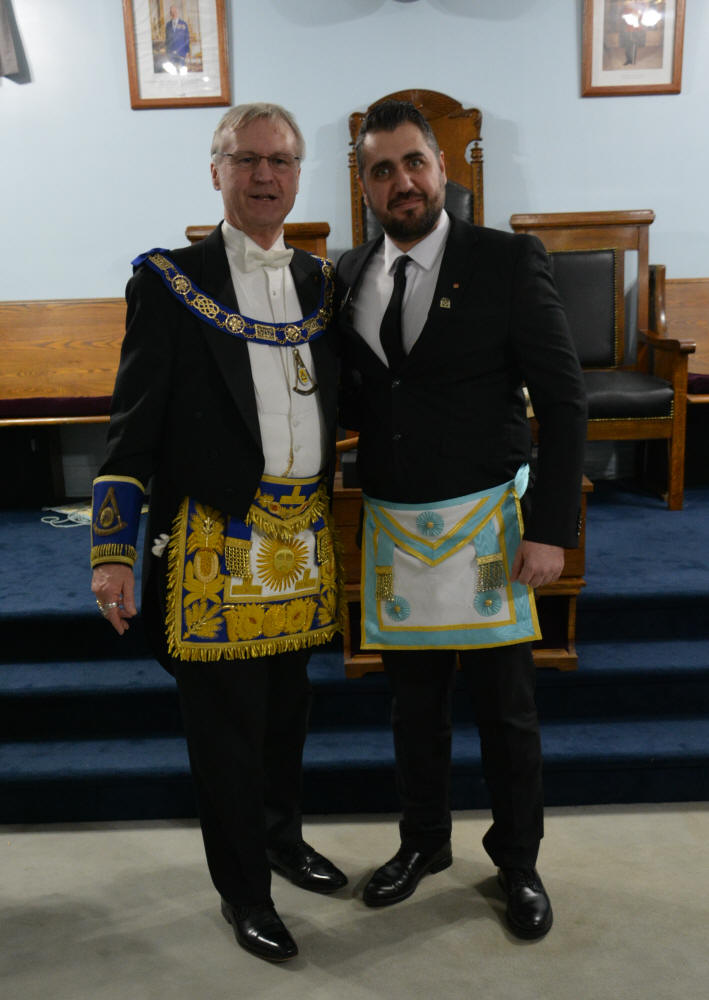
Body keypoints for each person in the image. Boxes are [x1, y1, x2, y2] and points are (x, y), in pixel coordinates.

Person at [90, 102, 346, 964]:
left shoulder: (324, 283)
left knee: (286, 715)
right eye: (245, 159)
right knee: (225, 732)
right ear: (216, 172)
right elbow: (130, 427)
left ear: (298, 174)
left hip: (302, 538)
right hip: (211, 541)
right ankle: (245, 892)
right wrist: (112, 553)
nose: (264, 175)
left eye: (280, 160)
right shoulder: (170, 280)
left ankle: (280, 839)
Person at [337, 100, 587, 940]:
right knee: (413, 709)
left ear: (442, 168)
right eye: (381, 169)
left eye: (414, 162)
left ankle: (516, 861)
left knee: (505, 713)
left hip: (488, 530)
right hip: (395, 531)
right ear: (364, 184)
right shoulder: (347, 273)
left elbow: (563, 399)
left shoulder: (506, 260)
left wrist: (550, 528)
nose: (401, 181)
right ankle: (422, 842)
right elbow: (359, 396)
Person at [164, 5, 190, 69]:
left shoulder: (183, 24)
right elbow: (167, 40)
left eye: (175, 12)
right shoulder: (168, 25)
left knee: (182, 71)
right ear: (170, 14)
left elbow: (186, 38)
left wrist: (187, 52)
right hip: (171, 53)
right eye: (172, 12)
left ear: (177, 12)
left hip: (181, 52)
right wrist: (167, 52)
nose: (174, 14)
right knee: (172, 71)